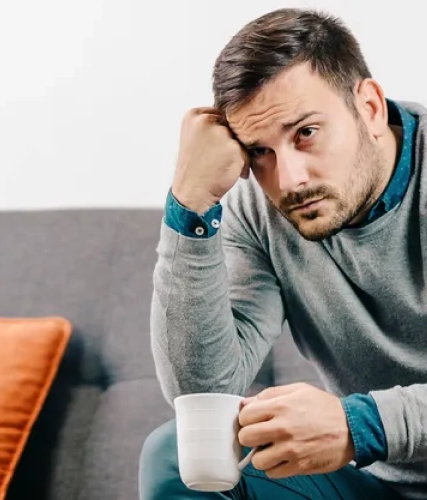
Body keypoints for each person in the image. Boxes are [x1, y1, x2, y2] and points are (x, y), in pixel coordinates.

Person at [139, 7, 427, 500]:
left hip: (370, 445)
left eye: (306, 133)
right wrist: (189, 204)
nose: (290, 179)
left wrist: (363, 425)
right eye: (260, 152)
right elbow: (203, 393)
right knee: (174, 455)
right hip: (375, 486)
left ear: (371, 108)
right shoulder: (260, 209)